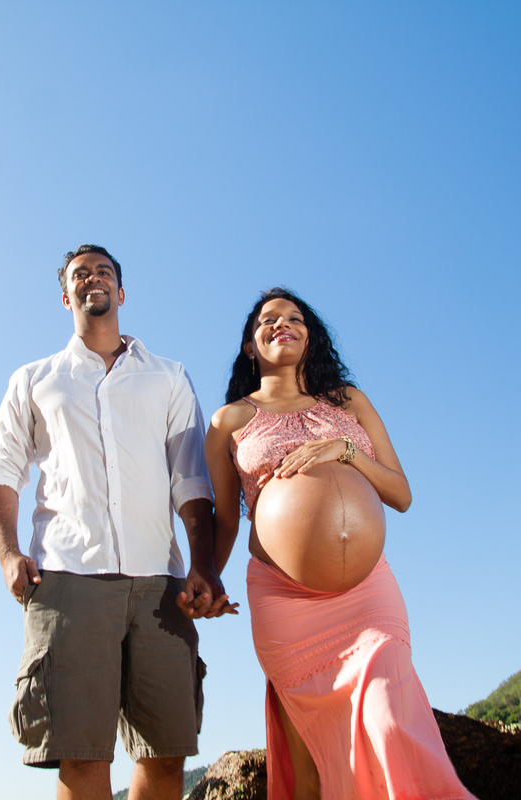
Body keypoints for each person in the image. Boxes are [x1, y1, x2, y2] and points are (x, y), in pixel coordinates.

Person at [0, 244, 234, 800]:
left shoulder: (169, 377)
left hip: (160, 586)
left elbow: (191, 481)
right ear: (65, 296)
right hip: (67, 582)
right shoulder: (34, 379)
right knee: (81, 756)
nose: (91, 278)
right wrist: (7, 554)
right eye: (80, 274)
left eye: (103, 271)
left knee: (166, 753)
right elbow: (1, 472)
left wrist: (204, 566)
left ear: (121, 292)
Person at [204, 288, 476, 800]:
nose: (282, 324)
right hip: (285, 600)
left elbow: (401, 494)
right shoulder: (229, 421)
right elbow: (225, 522)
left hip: (368, 596)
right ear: (248, 345)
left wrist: (346, 450)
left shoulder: (348, 402)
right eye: (268, 319)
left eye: (295, 317)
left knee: (390, 717)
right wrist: (207, 580)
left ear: (310, 336)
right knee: (307, 762)